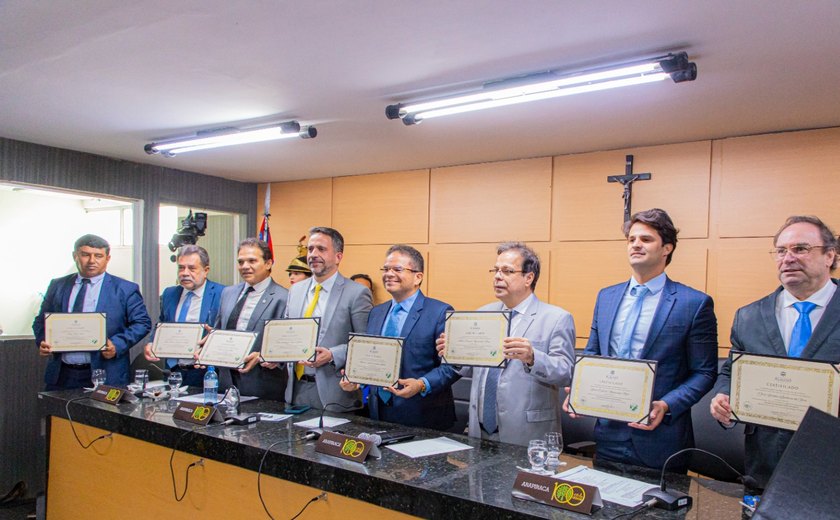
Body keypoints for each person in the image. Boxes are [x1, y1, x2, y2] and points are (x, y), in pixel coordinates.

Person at [568, 208, 718, 472]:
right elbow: (592, 354)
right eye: (631, 239)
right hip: (608, 434)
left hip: (662, 438)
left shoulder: (693, 303)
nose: (636, 244)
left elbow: (704, 372)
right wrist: (579, 391)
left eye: (646, 239)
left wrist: (667, 404)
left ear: (667, 248)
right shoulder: (607, 297)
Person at [710, 215, 840, 491]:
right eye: (781, 251)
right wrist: (723, 395)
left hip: (831, 464)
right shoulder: (750, 316)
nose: (788, 258)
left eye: (801, 249)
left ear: (830, 255)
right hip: (765, 466)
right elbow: (731, 370)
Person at [436, 242, 575, 446]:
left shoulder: (556, 318)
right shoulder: (483, 313)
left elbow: (566, 373)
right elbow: (466, 367)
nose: (498, 276)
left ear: (529, 277)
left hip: (527, 434)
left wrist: (532, 357)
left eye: (507, 271)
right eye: (496, 270)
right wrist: (454, 354)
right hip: (479, 430)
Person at [340, 245, 459, 430]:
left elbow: (452, 367)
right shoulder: (376, 313)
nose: (389, 274)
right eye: (386, 269)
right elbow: (373, 360)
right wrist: (356, 379)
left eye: (397, 269)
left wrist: (421, 384)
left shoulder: (440, 312)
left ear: (418, 277)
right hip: (377, 413)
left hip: (423, 416)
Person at [33, 234, 152, 389]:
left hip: (107, 373)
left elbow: (142, 323)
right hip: (62, 374)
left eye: (98, 256)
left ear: (107, 258)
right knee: (57, 414)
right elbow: (40, 321)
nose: (91, 261)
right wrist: (43, 340)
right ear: (75, 256)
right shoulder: (58, 286)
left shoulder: (125, 289)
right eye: (85, 255)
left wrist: (117, 344)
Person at [282, 227, 372, 410]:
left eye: (321, 249)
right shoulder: (295, 290)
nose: (313, 254)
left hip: (334, 393)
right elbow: (286, 333)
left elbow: (365, 343)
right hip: (295, 389)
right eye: (310, 249)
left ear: (338, 257)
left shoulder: (357, 293)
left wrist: (333, 354)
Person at [214, 238, 288, 400]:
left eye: (252, 261)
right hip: (225, 383)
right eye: (241, 262)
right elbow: (218, 329)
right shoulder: (228, 293)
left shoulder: (284, 298)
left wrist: (265, 356)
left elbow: (287, 345)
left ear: (268, 263)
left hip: (262, 385)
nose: (245, 266)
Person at [143, 245, 225, 387]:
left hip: (205, 372)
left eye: (192, 268)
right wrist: (152, 342)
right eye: (181, 268)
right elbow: (162, 323)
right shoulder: (169, 294)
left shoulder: (222, 293)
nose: (185, 273)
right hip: (173, 370)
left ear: (206, 271)